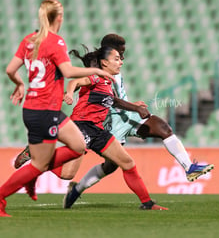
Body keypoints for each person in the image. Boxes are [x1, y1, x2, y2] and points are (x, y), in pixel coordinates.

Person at [15, 34, 214, 207]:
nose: (123, 58)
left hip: (124, 117)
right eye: (120, 52)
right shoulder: (102, 65)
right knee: (107, 166)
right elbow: (100, 92)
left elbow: (113, 94)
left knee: (162, 128)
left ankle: (187, 168)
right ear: (109, 52)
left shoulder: (114, 65)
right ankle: (74, 188)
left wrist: (132, 104)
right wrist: (133, 107)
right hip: (108, 120)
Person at [0, 0, 113, 217]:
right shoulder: (56, 42)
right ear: (59, 18)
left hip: (39, 109)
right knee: (41, 163)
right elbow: (68, 71)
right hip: (43, 111)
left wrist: (20, 84)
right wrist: (97, 72)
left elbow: (9, 69)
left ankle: (32, 174)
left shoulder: (29, 40)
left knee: (78, 145)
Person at [60, 46, 168, 210]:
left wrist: (134, 106)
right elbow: (75, 81)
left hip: (97, 130)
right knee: (66, 174)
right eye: (116, 59)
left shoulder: (108, 83)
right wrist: (69, 93)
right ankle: (36, 155)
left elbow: (115, 102)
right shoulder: (95, 77)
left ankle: (147, 203)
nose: (120, 63)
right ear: (104, 62)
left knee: (127, 162)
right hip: (80, 127)